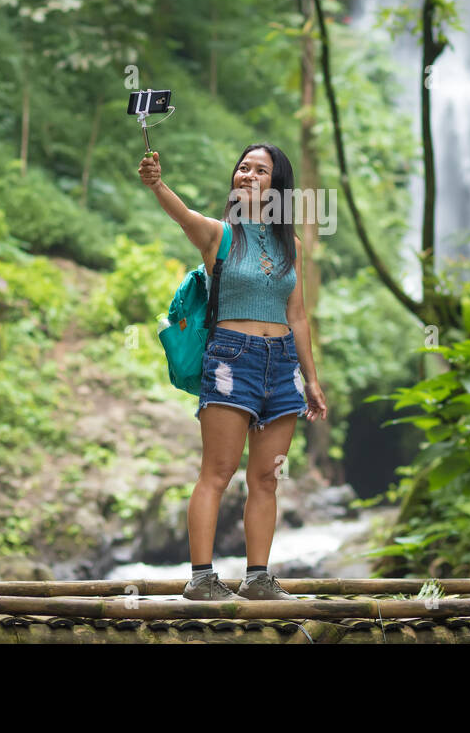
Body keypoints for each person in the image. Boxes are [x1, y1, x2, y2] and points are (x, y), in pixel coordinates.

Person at [139, 143, 328, 601]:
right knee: (218, 473)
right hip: (230, 359)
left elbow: (298, 315)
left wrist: (312, 379)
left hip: (282, 364)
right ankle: (202, 578)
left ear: (276, 185)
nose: (248, 176)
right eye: (243, 168)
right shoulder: (218, 235)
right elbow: (181, 214)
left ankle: (258, 578)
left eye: (260, 171)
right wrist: (157, 183)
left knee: (266, 478)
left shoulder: (292, 247)